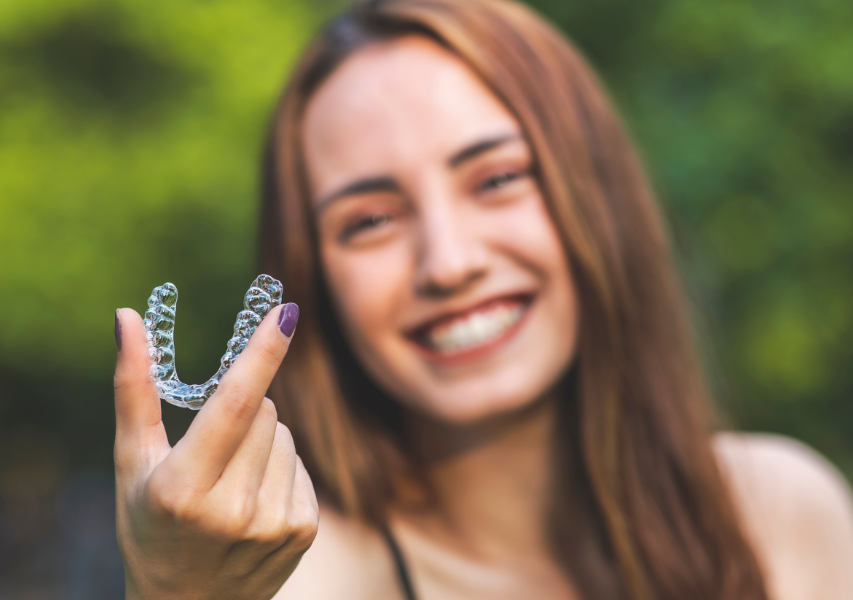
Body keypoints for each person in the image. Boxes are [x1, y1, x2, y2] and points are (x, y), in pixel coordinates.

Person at [112, 1, 853, 599]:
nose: (449, 263)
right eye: (368, 220)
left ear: (598, 197)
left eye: (496, 178)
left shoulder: (780, 516)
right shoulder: (297, 581)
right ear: (314, 280)